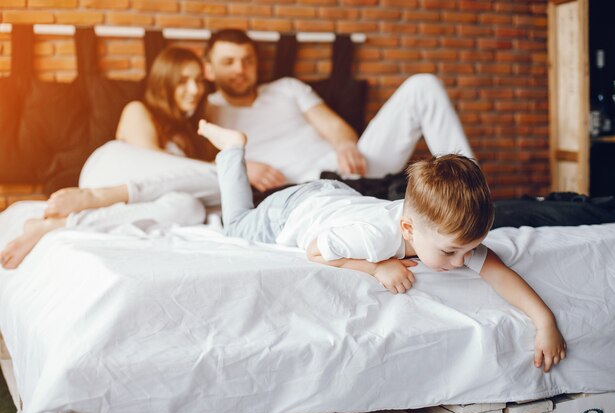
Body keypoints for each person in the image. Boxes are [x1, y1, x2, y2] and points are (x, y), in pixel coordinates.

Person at [197, 119, 567, 373]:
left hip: (339, 196)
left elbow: (500, 274)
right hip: (294, 209)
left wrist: (544, 321)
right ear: (407, 228)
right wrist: (376, 267)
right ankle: (232, 149)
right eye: (451, 252)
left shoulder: (451, 235)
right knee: (236, 225)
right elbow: (314, 250)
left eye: (469, 250)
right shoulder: (375, 238)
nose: (461, 262)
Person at [0, 47, 219, 270]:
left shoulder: (195, 130)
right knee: (219, 179)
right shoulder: (139, 110)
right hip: (110, 174)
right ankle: (93, 197)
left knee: (188, 207)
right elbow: (156, 170)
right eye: (183, 81)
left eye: (199, 80)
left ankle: (60, 225)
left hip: (140, 200)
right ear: (163, 81)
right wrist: (216, 170)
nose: (195, 89)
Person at [204, 29, 474, 192]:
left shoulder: (287, 88)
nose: (240, 69)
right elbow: (188, 164)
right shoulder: (207, 112)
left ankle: (472, 194)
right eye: (228, 62)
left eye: (247, 60)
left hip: (353, 168)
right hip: (309, 192)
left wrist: (345, 144)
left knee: (422, 86)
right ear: (209, 68)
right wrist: (240, 167)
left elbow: (334, 126)